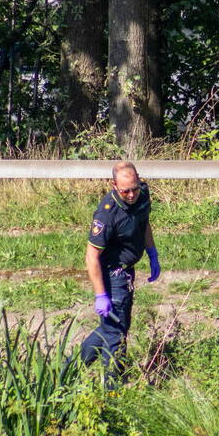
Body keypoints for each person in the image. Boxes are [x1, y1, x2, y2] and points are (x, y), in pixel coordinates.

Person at [78, 161, 160, 386]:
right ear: (114, 185)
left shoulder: (142, 194)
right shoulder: (106, 214)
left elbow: (144, 223)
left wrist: (152, 253)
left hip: (127, 272)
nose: (132, 194)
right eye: (126, 191)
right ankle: (112, 387)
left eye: (134, 188)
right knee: (115, 333)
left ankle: (71, 369)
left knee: (114, 326)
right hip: (111, 274)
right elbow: (91, 257)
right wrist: (100, 295)